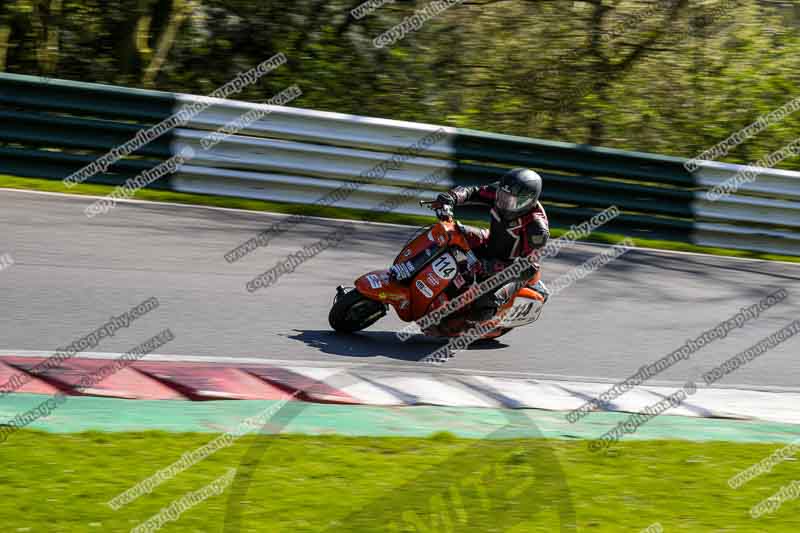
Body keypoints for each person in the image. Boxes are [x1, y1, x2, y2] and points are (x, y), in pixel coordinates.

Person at [435, 167, 550, 322]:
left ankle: (475, 323)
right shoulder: (500, 192)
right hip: (491, 242)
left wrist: (492, 267)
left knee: (482, 303)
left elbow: (529, 267)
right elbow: (473, 192)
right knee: (451, 234)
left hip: (511, 268)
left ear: (527, 201)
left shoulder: (536, 228)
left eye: (510, 200)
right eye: (502, 196)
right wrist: (452, 197)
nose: (503, 202)